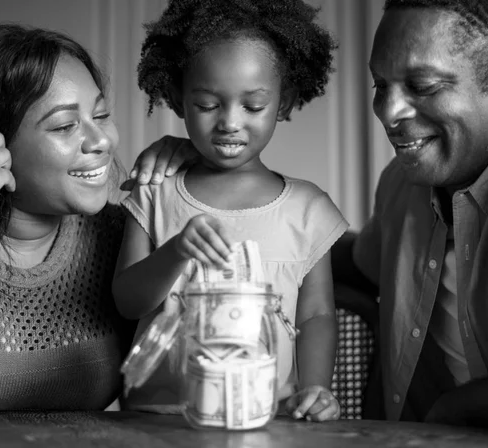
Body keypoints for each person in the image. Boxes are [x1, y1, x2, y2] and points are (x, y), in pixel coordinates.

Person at [112, 0, 348, 422]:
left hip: (269, 416)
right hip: (158, 417)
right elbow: (127, 301)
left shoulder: (308, 209)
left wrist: (316, 390)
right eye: (207, 105)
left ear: (284, 102)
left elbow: (315, 314)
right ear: (177, 98)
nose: (229, 123)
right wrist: (176, 252)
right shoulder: (154, 193)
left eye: (253, 106)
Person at [0, 23, 143, 413]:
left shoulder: (122, 235)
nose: (102, 141)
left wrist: (196, 176)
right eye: (64, 126)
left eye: (101, 114)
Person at [332, 0, 488, 432]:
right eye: (381, 84)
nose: (388, 111)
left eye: (422, 86)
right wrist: (207, 179)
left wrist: (454, 412)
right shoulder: (403, 183)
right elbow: (362, 262)